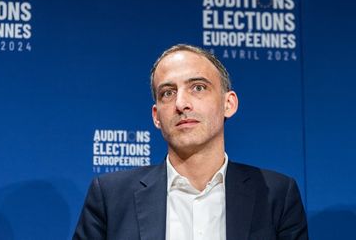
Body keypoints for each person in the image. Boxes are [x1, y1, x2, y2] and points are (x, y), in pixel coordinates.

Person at [73, 44, 308, 240]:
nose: (181, 103)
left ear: (229, 104)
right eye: (168, 92)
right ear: (156, 116)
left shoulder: (276, 194)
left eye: (198, 87)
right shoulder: (111, 197)